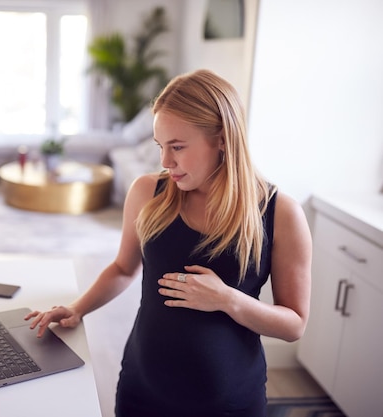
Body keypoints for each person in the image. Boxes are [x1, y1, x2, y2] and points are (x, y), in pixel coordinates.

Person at [25, 69, 312, 417]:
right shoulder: (148, 192)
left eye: (177, 147)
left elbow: (294, 323)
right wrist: (78, 307)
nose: (165, 162)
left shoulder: (281, 214)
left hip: (230, 402)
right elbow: (122, 268)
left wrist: (227, 300)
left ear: (222, 139)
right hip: (142, 390)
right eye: (161, 146)